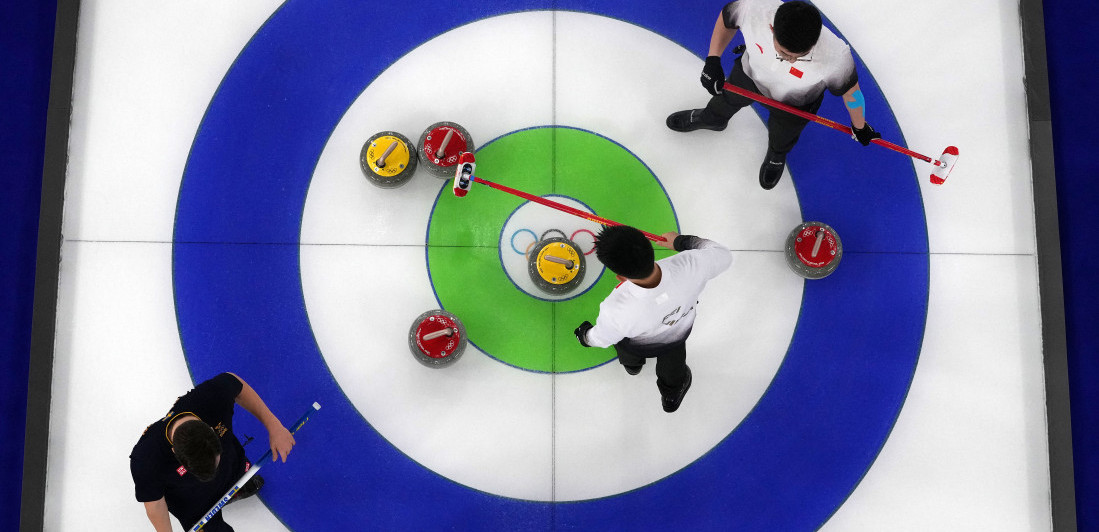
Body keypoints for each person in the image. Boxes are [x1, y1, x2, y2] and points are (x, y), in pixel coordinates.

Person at [666, 0, 881, 190]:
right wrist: (712, 60)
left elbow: (852, 92)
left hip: (796, 103)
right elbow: (726, 18)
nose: (791, 61)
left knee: (783, 135)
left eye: (799, 56)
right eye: (784, 53)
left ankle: (777, 154)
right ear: (771, 28)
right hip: (749, 76)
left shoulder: (836, 56)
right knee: (725, 100)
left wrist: (860, 126)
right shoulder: (754, 8)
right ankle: (712, 119)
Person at [574, 226, 732, 412]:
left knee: (626, 349)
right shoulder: (691, 264)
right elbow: (723, 255)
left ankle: (633, 367)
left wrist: (584, 335)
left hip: (637, 344)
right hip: (677, 334)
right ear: (650, 249)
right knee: (673, 367)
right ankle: (671, 394)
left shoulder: (616, 309)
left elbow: (601, 338)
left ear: (620, 277)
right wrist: (680, 241)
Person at [130, 372, 296, 531]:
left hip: (231, 465)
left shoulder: (211, 398)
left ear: (211, 429)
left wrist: (274, 425)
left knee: (237, 472)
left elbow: (235, 383)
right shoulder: (145, 459)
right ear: (174, 451)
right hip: (194, 503)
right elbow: (155, 505)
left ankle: (236, 485)